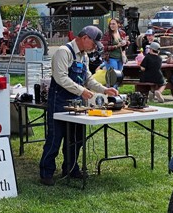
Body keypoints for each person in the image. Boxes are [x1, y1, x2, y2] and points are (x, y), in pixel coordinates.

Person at [39, 26, 119, 186]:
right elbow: (61, 78)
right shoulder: (64, 52)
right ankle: (46, 172)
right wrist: (82, 90)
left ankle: (71, 168)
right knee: (55, 138)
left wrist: (104, 90)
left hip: (76, 102)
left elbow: (88, 78)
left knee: (76, 137)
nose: (94, 47)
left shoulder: (84, 57)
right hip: (59, 101)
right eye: (94, 44)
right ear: (85, 38)